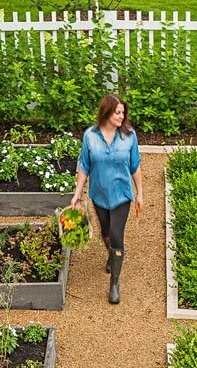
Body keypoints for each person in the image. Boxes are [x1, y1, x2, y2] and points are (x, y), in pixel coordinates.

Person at [71, 94, 143, 304]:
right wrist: (77, 194)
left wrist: (140, 193)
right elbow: (84, 165)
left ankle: (114, 283)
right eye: (117, 112)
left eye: (123, 113)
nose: (122, 116)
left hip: (122, 195)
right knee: (105, 232)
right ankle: (112, 255)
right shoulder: (90, 136)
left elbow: (135, 165)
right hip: (99, 194)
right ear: (107, 112)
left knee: (116, 235)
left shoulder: (129, 136)